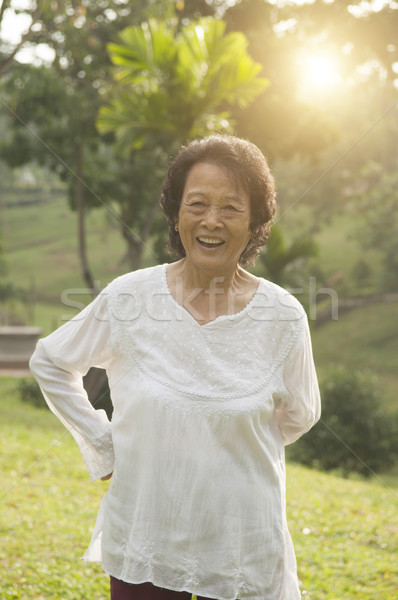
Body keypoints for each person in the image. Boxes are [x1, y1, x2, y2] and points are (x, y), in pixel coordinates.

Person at [30, 134, 321, 600]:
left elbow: (301, 413)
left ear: (255, 222)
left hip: (241, 542)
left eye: (230, 207)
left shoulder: (283, 317)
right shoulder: (130, 297)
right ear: (176, 212)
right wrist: (104, 444)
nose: (211, 220)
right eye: (197, 203)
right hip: (147, 533)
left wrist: (217, 435)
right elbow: (50, 361)